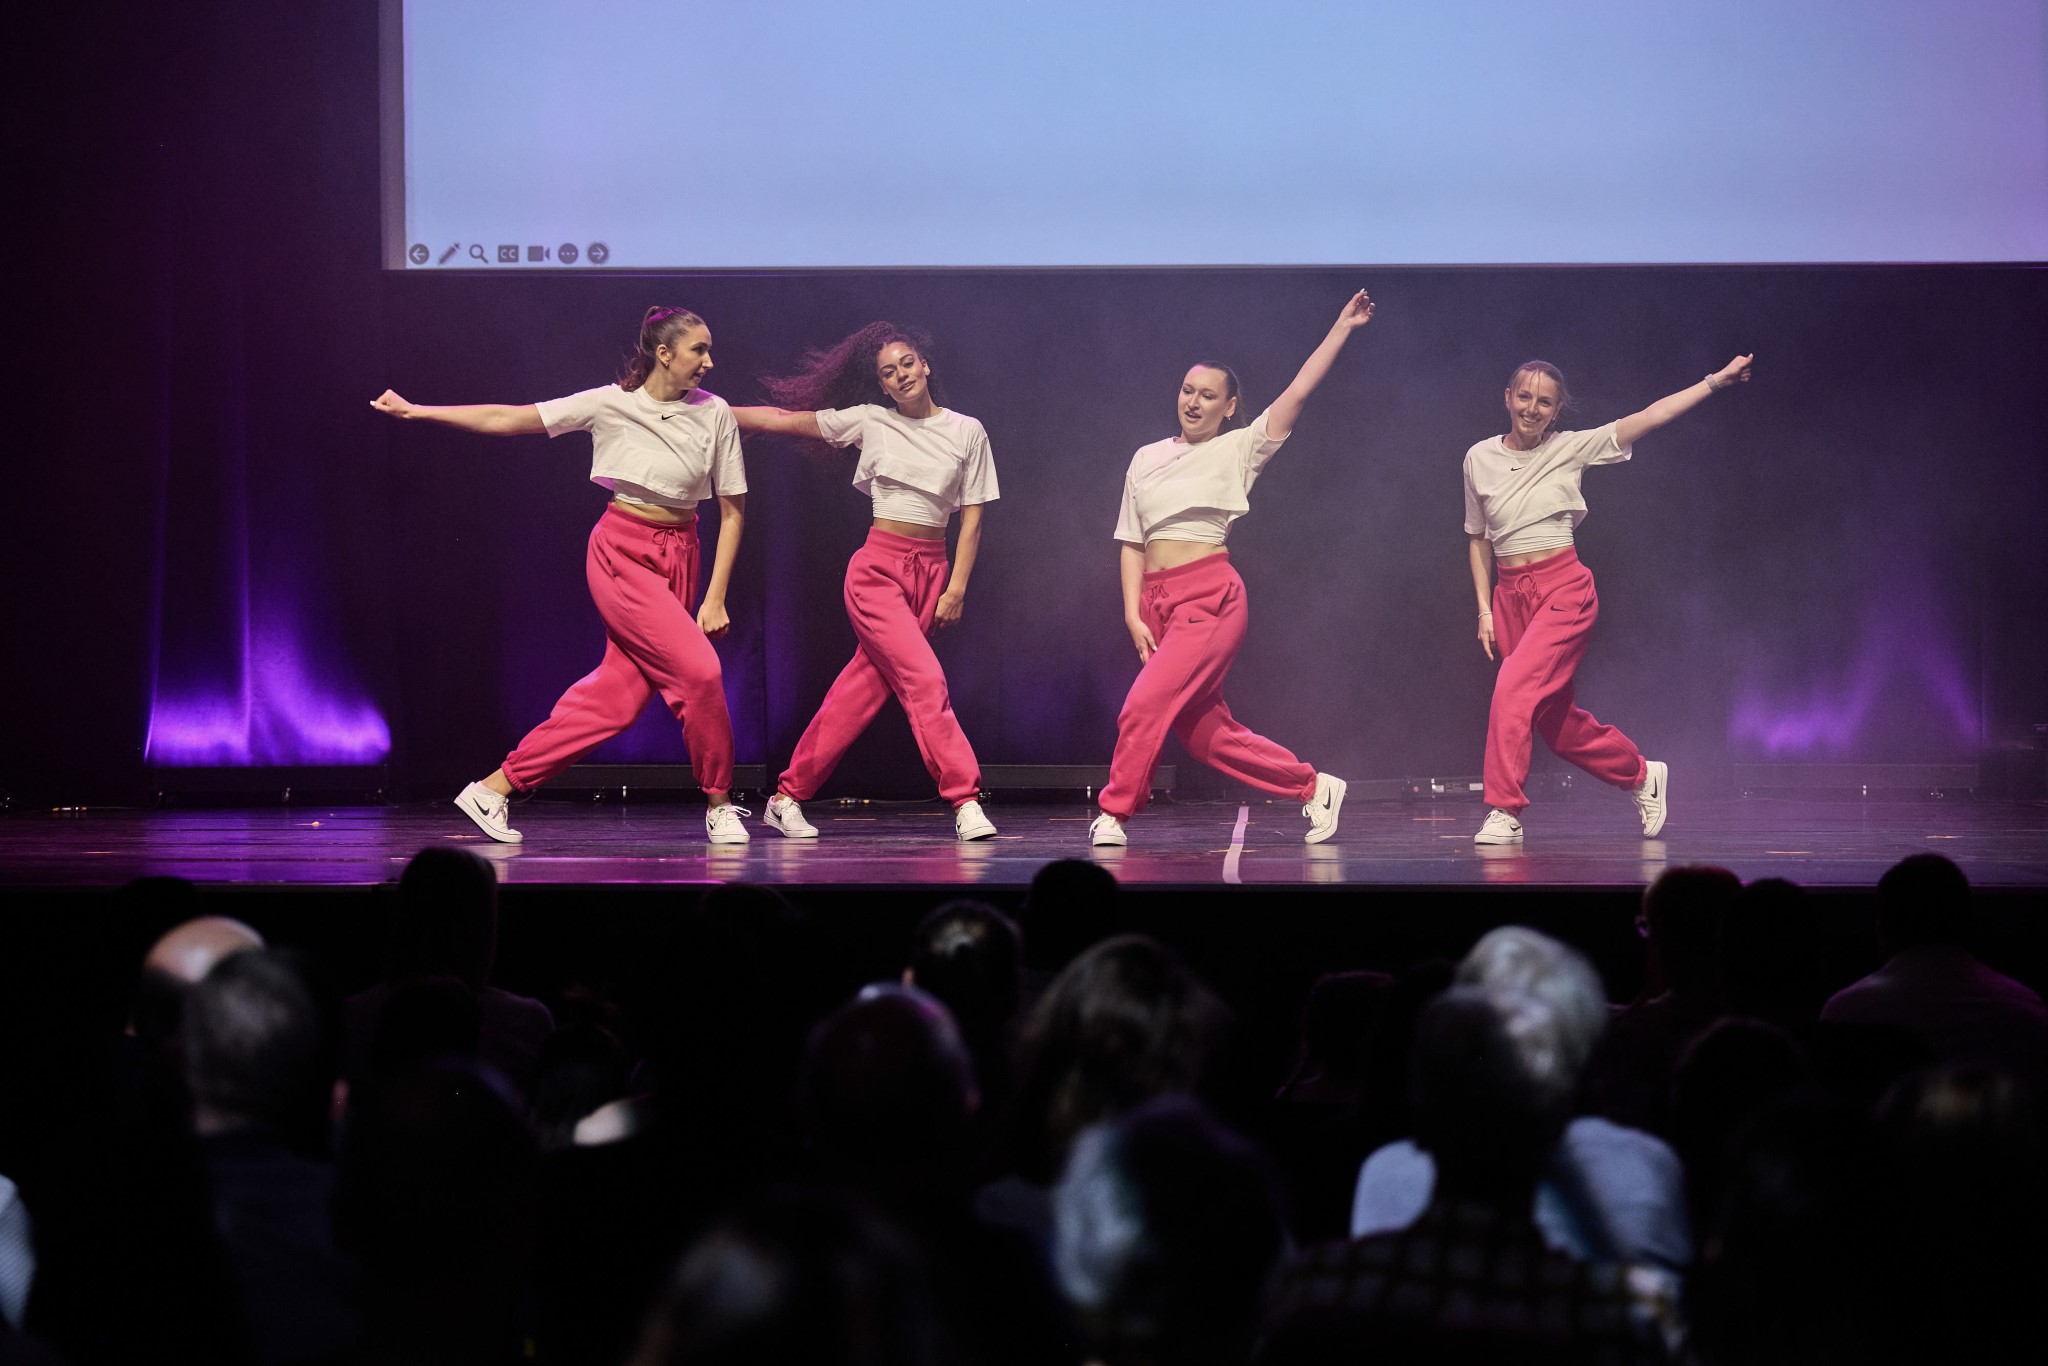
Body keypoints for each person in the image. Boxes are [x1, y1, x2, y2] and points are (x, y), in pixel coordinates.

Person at [371, 305, 751, 845]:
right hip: (623, 553)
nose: (709, 361)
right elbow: (509, 418)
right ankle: (719, 803)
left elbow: (733, 512)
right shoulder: (611, 404)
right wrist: (418, 412)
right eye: (699, 350)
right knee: (702, 671)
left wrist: (715, 597)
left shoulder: (715, 413)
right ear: (664, 354)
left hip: (682, 553)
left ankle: (494, 789)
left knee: (618, 699)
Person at [1091, 292, 1376, 848]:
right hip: (1156, 602)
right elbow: (1130, 541)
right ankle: (1314, 787)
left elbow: (1298, 391)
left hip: (1210, 598)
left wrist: (1342, 327)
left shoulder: (1239, 449)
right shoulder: (1145, 457)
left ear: (1229, 406)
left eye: (1208, 395)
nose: (1193, 402)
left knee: (1143, 707)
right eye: (1187, 390)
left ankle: (1115, 813)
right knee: (1206, 735)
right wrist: (1132, 614)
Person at [1465, 352, 1753, 844]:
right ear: (1508, 398)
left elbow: (1651, 416)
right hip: (1510, 598)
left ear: (1556, 411)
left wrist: (1715, 381)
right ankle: (1641, 775)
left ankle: (1504, 810)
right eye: (1525, 397)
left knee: (1511, 689)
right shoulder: (1478, 458)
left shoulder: (1571, 447)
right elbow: (1477, 538)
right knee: (1555, 726)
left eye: (1545, 402)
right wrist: (1484, 610)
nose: (1532, 408)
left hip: (1563, 591)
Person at [732, 323, 999, 842]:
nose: (901, 375)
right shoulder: (873, 421)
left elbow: (973, 519)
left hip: (931, 574)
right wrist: (711, 412)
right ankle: (965, 800)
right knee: (926, 681)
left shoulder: (967, 430)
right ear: (882, 385)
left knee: (858, 693)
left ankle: (786, 797)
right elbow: (786, 420)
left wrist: (956, 588)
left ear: (925, 365)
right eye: (888, 372)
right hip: (877, 572)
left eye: (907, 363)